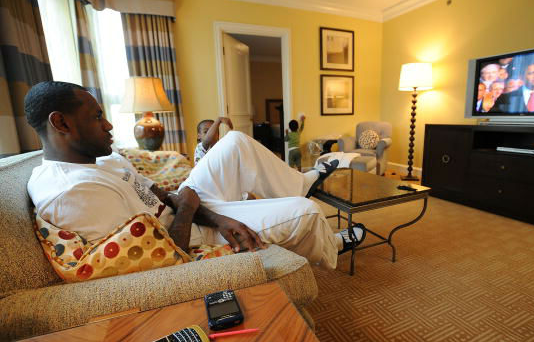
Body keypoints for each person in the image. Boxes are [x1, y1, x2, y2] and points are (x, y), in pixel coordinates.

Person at [25, 81, 365, 270]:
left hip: (189, 213)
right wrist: (192, 211)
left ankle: (301, 182)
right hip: (188, 234)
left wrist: (211, 214)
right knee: (306, 214)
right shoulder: (72, 192)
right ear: (61, 123)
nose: (109, 124)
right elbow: (161, 260)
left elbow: (164, 196)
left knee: (234, 142)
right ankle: (331, 244)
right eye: (97, 116)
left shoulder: (103, 161)